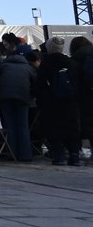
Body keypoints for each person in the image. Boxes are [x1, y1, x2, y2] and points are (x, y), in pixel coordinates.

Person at [34, 37, 82, 166]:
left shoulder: (46, 63)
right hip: (71, 101)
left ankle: (59, 156)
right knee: (72, 128)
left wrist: (41, 100)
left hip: (52, 102)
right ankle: (75, 156)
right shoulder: (71, 62)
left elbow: (39, 85)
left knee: (54, 129)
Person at [0, 38, 36, 163]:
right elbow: (35, 83)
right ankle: (25, 155)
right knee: (23, 125)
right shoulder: (28, 68)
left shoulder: (3, 65)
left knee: (9, 125)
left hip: (5, 97)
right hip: (23, 97)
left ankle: (12, 153)